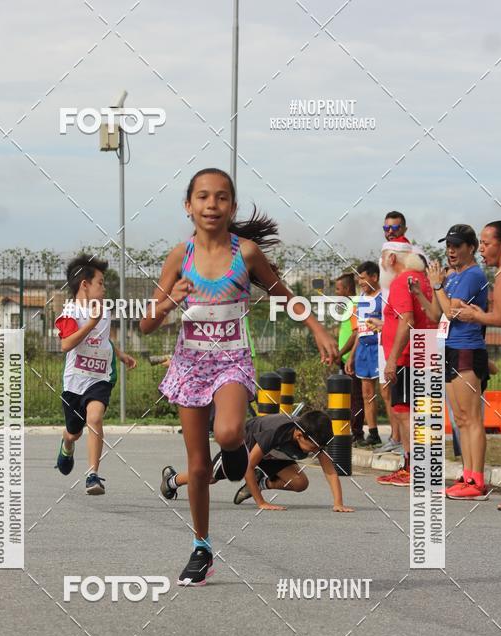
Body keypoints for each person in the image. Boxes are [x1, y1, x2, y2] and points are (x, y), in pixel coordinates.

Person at [140, 167, 339, 586]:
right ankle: (201, 547)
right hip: (189, 364)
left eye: (221, 197)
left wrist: (318, 329)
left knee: (230, 431)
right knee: (198, 466)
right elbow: (146, 324)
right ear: (188, 205)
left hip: (231, 360)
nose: (212, 204)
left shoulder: (245, 253)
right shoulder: (179, 256)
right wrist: (168, 302)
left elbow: (285, 295)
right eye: (203, 196)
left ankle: (233, 450)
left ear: (232, 206)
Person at [160, 409, 354, 513]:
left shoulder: (315, 437)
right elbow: (248, 466)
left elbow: (330, 472)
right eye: (313, 447)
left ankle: (260, 482)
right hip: (245, 445)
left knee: (300, 483)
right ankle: (171, 480)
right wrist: (261, 503)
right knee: (209, 478)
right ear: (298, 435)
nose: (316, 451)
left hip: (272, 455)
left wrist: (338, 503)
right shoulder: (275, 432)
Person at [54, 254, 136, 495]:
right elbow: (66, 344)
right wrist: (91, 323)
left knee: (95, 418)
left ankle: (92, 475)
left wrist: (120, 354)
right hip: (75, 382)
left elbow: (103, 339)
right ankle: (66, 444)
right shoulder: (70, 313)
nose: (104, 288)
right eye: (100, 283)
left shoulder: (104, 311)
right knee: (74, 432)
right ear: (85, 285)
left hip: (100, 378)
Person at [422, 225, 490, 500]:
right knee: (460, 418)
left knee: (472, 418)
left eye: (457, 245)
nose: (451, 250)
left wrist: (438, 285)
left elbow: (451, 312)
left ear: (470, 248)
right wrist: (429, 287)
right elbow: (435, 313)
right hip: (450, 348)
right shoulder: (452, 277)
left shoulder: (473, 275)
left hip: (467, 349)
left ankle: (477, 480)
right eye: (448, 245)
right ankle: (466, 475)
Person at [456, 220, 501, 510]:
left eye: (486, 243)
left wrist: (475, 315)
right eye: (480, 243)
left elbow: (500, 318)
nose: (481, 249)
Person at [376, 242, 437, 486]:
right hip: (424, 351)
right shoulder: (422, 279)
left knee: (404, 413)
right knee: (418, 412)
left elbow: (407, 320)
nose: (381, 264)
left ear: (391, 258)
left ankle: (414, 468)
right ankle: (419, 467)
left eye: (382, 258)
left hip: (407, 356)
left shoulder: (402, 281)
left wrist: (392, 359)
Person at [345, 261, 383, 448]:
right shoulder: (360, 298)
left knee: (387, 393)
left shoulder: (384, 296)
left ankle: (397, 436)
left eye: (363, 278)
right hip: (363, 350)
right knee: (367, 393)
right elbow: (359, 331)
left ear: (374, 277)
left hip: (380, 348)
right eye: (358, 278)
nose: (360, 282)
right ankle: (373, 433)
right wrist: (351, 356)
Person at [335, 273, 364, 443]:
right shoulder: (350, 305)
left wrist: (342, 354)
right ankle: (353, 430)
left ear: (346, 289)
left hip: (352, 359)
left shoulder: (354, 304)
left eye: (338, 289)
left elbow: (355, 333)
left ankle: (357, 433)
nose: (336, 292)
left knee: (356, 397)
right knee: (350, 397)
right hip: (346, 359)